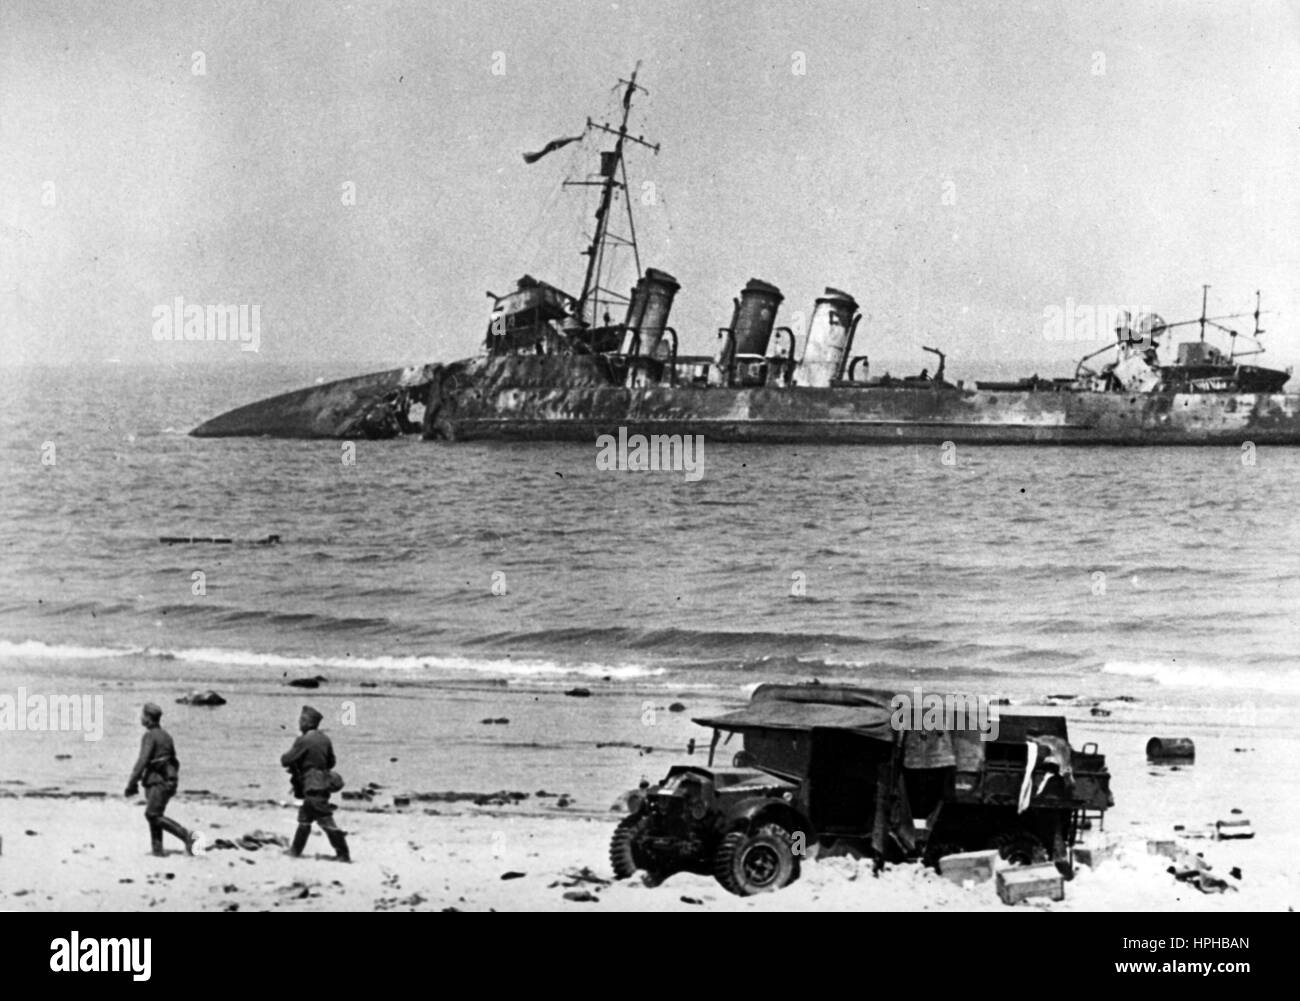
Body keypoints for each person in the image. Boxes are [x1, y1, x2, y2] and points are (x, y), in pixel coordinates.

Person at [280, 705, 350, 862]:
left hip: (311, 784)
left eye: (300, 720)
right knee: (304, 819)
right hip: (322, 782)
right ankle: (295, 852)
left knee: (325, 820)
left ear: (306, 722)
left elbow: (286, 760)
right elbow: (331, 762)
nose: (299, 723)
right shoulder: (325, 739)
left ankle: (343, 854)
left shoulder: (304, 740)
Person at [125, 703, 195, 857]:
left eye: (143, 715)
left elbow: (142, 761)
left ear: (149, 718)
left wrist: (131, 783)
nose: (141, 718)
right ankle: (157, 850)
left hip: (158, 781)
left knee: (152, 815)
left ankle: (187, 836)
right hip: (167, 780)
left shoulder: (150, 736)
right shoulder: (166, 736)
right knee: (155, 814)